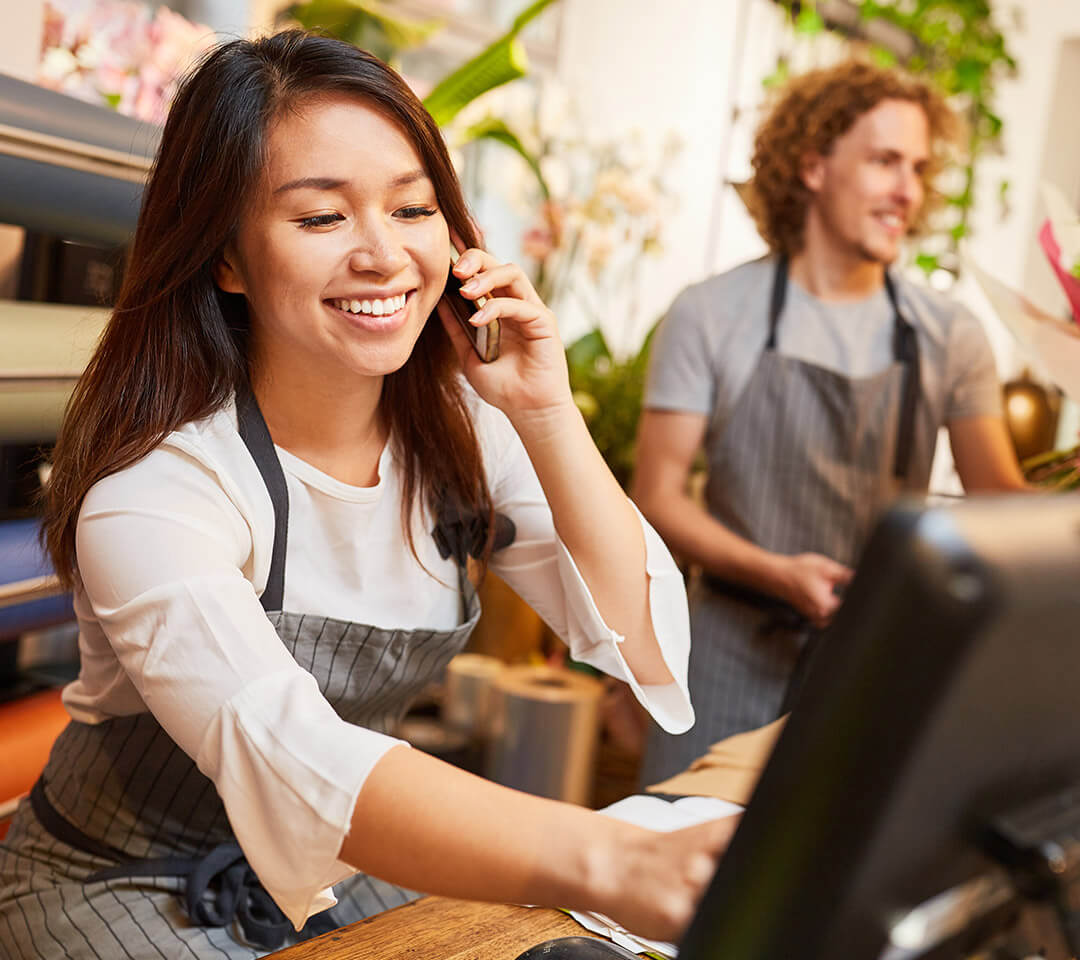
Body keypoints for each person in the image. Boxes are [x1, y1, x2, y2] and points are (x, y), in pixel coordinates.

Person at [0, 31, 737, 959]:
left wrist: (546, 411)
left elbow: (637, 632)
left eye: (414, 208)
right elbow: (292, 750)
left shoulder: (465, 433)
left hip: (343, 869)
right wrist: (617, 860)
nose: (384, 255)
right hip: (125, 887)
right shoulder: (157, 484)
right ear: (225, 258)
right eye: (321, 219)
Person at [633, 60, 1028, 785]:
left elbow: (997, 492)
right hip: (721, 654)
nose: (907, 191)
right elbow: (656, 495)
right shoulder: (712, 313)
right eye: (884, 162)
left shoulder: (949, 334)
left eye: (917, 167)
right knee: (676, 875)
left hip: (867, 668)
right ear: (813, 166)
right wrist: (776, 573)